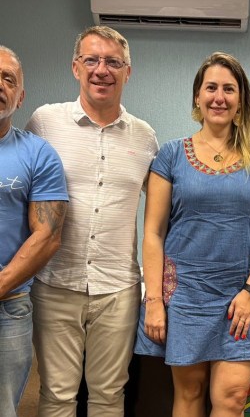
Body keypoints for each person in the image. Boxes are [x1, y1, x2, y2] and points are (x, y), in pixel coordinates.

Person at [134, 51, 250, 417]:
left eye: (229, 89)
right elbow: (152, 232)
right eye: (211, 88)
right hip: (186, 295)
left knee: (232, 398)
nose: (219, 97)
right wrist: (154, 301)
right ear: (197, 97)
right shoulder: (170, 155)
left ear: (241, 100)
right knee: (189, 394)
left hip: (241, 298)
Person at [25, 26, 159, 417]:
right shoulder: (44, 123)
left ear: (127, 72)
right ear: (75, 67)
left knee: (109, 395)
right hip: (55, 284)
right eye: (92, 60)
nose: (102, 70)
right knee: (57, 395)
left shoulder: (145, 137)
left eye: (113, 62)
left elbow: (162, 214)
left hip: (118, 288)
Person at [0, 45, 68, 417]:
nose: (0, 85)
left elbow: (47, 236)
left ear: (20, 96)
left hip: (8, 305)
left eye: (8, 79)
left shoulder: (38, 154)